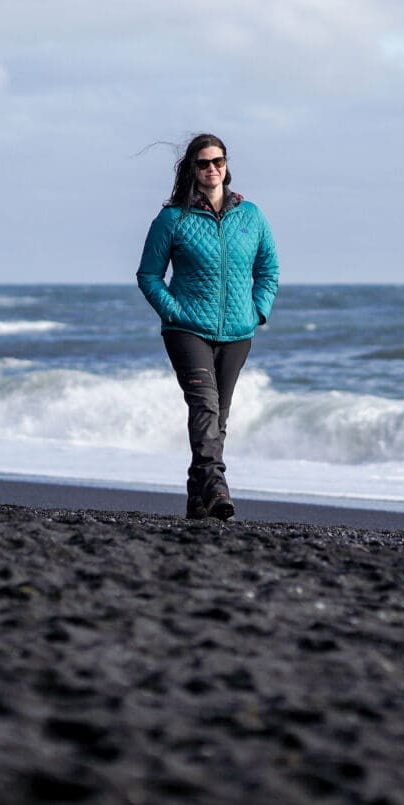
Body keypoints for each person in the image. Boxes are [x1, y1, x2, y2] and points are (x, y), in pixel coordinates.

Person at [136, 133, 279, 520]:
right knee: (204, 407)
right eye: (203, 163)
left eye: (218, 161)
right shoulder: (172, 219)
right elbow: (149, 275)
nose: (212, 168)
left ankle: (197, 497)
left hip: (238, 333)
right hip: (187, 331)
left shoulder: (251, 216)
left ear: (226, 165)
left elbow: (268, 269)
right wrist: (174, 313)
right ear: (192, 169)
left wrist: (257, 311)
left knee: (219, 417)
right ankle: (216, 487)